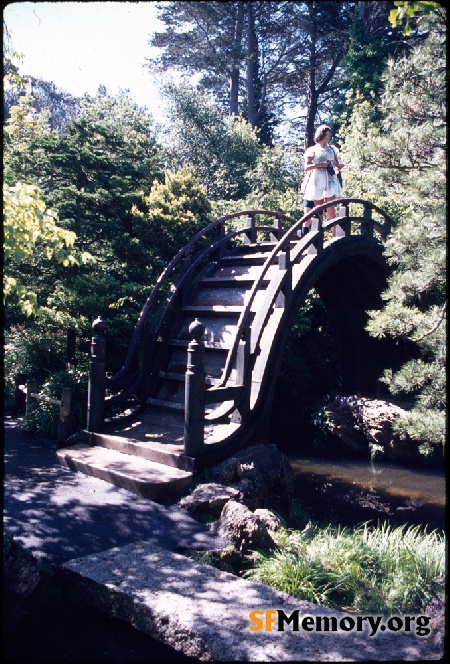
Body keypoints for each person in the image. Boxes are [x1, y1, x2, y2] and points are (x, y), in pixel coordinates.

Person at [303, 125, 344, 237]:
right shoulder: (312, 150)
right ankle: (312, 235)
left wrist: (339, 166)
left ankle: (335, 235)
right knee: (318, 210)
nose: (330, 135)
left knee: (330, 206)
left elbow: (336, 164)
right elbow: (306, 167)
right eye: (328, 133)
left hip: (330, 180)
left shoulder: (332, 149)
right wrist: (320, 165)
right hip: (317, 180)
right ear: (322, 134)